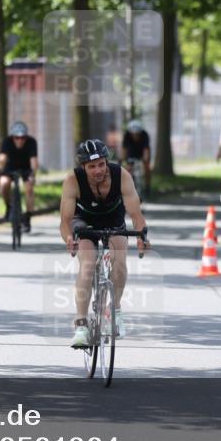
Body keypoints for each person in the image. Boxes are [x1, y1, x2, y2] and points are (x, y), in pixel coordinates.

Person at [60, 139, 149, 347]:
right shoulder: (73, 180)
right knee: (88, 264)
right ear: (83, 167)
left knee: (119, 261)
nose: (98, 170)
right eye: (92, 166)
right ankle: (81, 326)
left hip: (113, 219)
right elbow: (65, 221)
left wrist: (141, 237)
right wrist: (69, 239)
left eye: (101, 164)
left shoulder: (121, 176)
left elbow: (136, 215)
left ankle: (115, 310)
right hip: (84, 222)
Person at [0, 121, 38, 232]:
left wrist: (33, 175)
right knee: (4, 183)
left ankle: (27, 218)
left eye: (22, 138)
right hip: (10, 167)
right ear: (12, 137)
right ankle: (9, 206)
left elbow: (34, 161)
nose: (20, 140)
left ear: (26, 137)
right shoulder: (7, 141)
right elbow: (2, 158)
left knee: (29, 187)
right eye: (17, 138)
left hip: (26, 168)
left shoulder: (31, 142)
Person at [120, 119, 152, 199]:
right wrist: (123, 159)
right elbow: (124, 149)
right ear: (130, 133)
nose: (135, 136)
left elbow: (146, 150)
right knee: (128, 168)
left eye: (137, 134)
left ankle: (147, 186)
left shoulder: (145, 135)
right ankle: (128, 187)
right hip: (132, 152)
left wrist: (145, 160)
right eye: (133, 134)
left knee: (147, 167)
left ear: (140, 132)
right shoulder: (126, 135)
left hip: (142, 151)